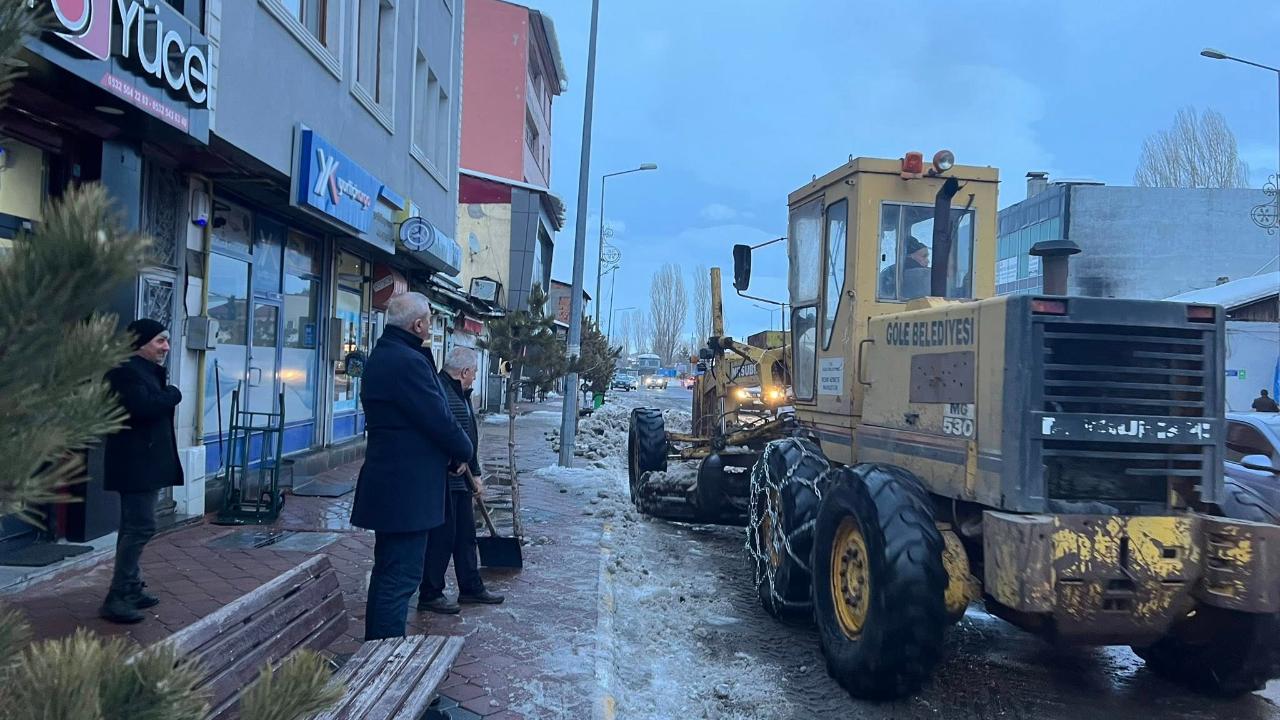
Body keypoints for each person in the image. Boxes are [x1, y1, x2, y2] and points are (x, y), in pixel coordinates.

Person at [351, 292, 474, 640]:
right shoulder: (407, 361)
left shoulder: (387, 355)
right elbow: (438, 419)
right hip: (406, 492)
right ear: (418, 325)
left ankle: (378, 653)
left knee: (389, 573)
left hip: (391, 486)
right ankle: (385, 661)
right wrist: (462, 451)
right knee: (400, 578)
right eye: (431, 321)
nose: (431, 326)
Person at [100, 319, 184, 624]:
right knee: (141, 527)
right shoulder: (125, 372)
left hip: (145, 464)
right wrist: (173, 394)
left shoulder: (143, 372)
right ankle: (118, 595)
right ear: (140, 343)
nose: (166, 348)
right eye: (160, 341)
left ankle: (131, 587)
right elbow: (143, 407)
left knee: (133, 526)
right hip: (136, 465)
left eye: (167, 341)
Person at [418, 347, 505, 614]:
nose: (475, 378)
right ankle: (431, 593)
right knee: (443, 538)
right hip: (447, 479)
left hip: (462, 480)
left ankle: (471, 587)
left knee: (465, 537)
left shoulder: (459, 393)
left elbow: (467, 438)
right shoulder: (442, 393)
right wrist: (455, 461)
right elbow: (442, 434)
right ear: (464, 372)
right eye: (474, 373)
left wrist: (475, 474)